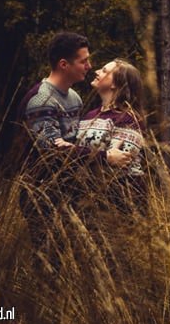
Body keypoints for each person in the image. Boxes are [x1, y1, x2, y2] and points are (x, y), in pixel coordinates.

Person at [17, 32, 133, 263]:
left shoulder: (74, 99)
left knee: (79, 259)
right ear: (63, 64)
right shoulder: (41, 101)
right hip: (42, 193)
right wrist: (105, 157)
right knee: (50, 260)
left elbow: (71, 147)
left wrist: (72, 150)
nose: (90, 66)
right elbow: (52, 153)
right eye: (83, 61)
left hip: (71, 192)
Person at [56, 58, 148, 213]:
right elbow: (104, 157)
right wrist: (75, 151)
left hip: (124, 201)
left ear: (115, 84)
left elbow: (118, 163)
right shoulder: (90, 115)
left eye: (104, 71)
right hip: (91, 199)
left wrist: (73, 151)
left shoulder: (129, 118)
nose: (97, 72)